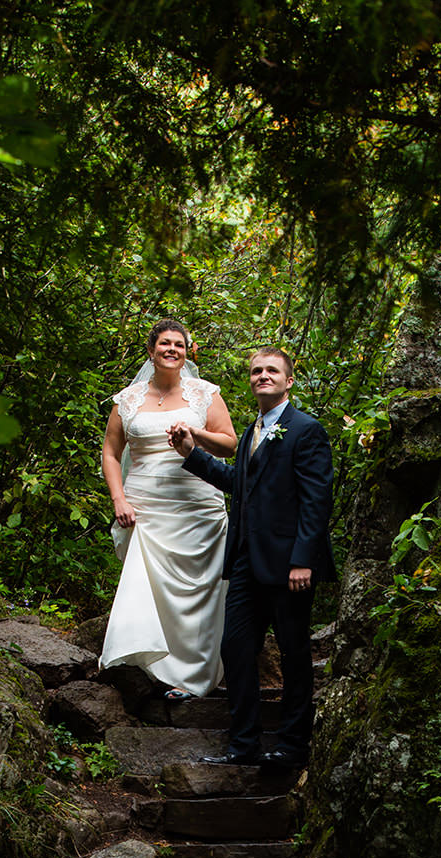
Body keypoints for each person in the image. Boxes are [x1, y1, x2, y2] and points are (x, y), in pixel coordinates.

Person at [169, 345, 336, 765]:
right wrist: (193, 454)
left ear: (289, 380)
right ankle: (243, 745)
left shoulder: (306, 430)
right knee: (236, 647)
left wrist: (304, 560)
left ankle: (293, 746)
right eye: (257, 371)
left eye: (272, 371)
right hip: (245, 562)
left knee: (295, 653)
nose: (263, 376)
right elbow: (237, 484)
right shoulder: (251, 432)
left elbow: (317, 501)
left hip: (288, 565)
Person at [98, 319, 237, 700]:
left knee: (199, 593)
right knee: (150, 590)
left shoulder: (205, 394)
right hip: (145, 508)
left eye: (179, 344)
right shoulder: (127, 400)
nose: (171, 349)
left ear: (187, 351)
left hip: (198, 507)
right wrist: (119, 500)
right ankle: (150, 666)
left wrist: (195, 437)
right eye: (164, 343)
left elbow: (229, 445)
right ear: (151, 351)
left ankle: (195, 676)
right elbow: (111, 454)